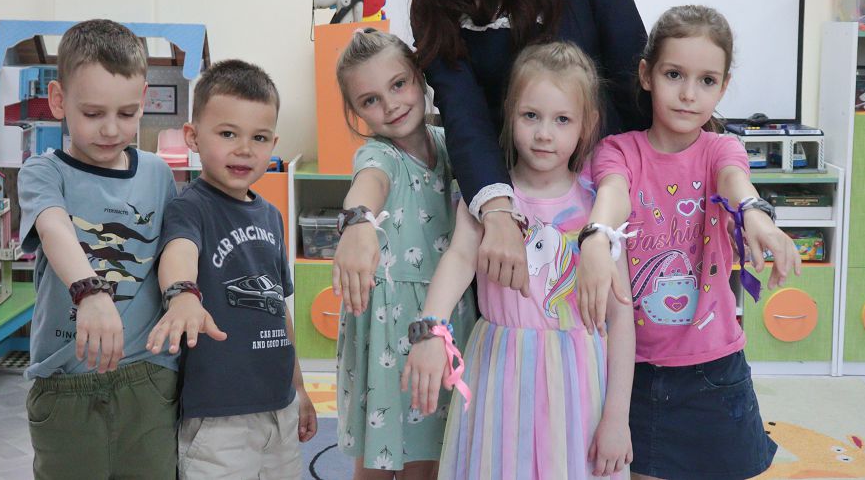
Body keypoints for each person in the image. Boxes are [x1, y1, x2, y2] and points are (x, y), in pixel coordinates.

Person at [408, 0, 649, 302]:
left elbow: (636, 81)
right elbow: (465, 117)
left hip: (614, 200)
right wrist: (498, 211)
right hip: (518, 212)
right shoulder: (437, 2)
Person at [582, 5, 801, 480]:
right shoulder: (618, 150)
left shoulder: (722, 149)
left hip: (715, 369)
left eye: (707, 81)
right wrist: (597, 234)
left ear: (723, 87)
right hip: (635, 372)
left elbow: (735, 181)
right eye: (674, 74)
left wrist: (755, 213)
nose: (688, 94)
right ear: (646, 75)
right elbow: (613, 193)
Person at [402, 42, 635, 479]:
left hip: (579, 383)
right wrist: (430, 329)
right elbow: (459, 258)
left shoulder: (597, 207)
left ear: (587, 125)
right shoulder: (489, 197)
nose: (544, 133)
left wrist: (617, 418)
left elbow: (621, 317)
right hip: (500, 373)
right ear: (510, 114)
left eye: (562, 119)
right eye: (531, 116)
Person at [18, 19, 179, 479]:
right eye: (92, 114)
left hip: (147, 378)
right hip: (66, 384)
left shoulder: (157, 174)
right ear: (58, 101)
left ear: (143, 99)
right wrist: (89, 291)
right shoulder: (44, 171)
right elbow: (54, 228)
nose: (111, 129)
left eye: (127, 113)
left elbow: (173, 251)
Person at [146, 59, 317, 479]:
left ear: (273, 142)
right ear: (193, 137)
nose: (244, 149)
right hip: (218, 416)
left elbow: (278, 309)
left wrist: (298, 387)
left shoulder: (272, 216)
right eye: (228, 134)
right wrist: (182, 294)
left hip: (278, 406)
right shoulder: (191, 207)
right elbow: (179, 251)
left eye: (259, 137)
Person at [330, 28, 478, 478]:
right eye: (370, 100)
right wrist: (358, 222)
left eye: (398, 85)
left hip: (445, 315)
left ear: (419, 76)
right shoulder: (379, 155)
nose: (391, 105)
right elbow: (368, 184)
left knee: (430, 453)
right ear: (355, 111)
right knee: (379, 457)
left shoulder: (452, 144)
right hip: (389, 328)